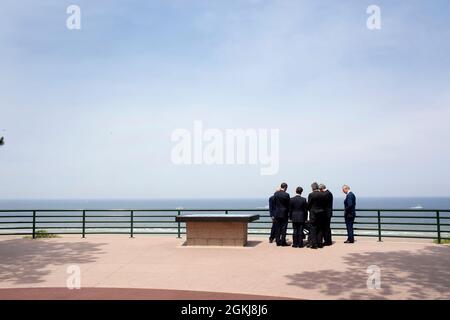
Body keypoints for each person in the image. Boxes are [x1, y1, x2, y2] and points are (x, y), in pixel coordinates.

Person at [307, 182, 328, 249]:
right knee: (320, 228)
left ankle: (314, 244)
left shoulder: (311, 195)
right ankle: (320, 243)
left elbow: (309, 205)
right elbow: (325, 205)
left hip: (313, 214)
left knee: (313, 228)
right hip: (321, 213)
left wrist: (310, 210)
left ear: (313, 188)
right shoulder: (322, 194)